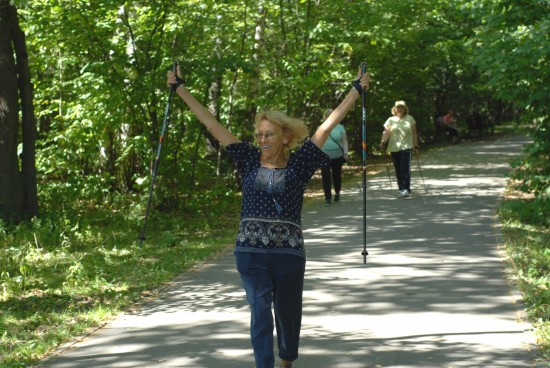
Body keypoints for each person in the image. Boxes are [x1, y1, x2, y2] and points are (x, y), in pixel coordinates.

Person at [167, 66, 369, 368]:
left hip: (288, 254)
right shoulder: (247, 158)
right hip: (250, 252)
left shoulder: (300, 165)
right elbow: (211, 124)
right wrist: (180, 89)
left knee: (287, 312)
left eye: (270, 134)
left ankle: (287, 357)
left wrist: (356, 90)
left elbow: (325, 128)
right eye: (259, 134)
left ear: (285, 138)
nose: (262, 139)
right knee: (260, 309)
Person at [379, 100, 419, 198]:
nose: (400, 109)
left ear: (405, 109)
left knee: (405, 167)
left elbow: (414, 133)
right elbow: (387, 133)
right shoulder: (390, 120)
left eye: (402, 108)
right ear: (395, 109)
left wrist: (416, 146)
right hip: (394, 147)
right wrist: (383, 142)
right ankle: (401, 187)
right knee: (398, 168)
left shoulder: (410, 119)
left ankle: (406, 188)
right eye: (398, 108)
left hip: (407, 146)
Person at [320, 108, 349, 206]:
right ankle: (327, 198)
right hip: (324, 156)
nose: (329, 117)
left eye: (331, 115)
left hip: (338, 156)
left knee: (337, 175)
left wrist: (345, 153)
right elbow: (317, 142)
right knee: (325, 177)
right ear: (325, 117)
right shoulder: (321, 127)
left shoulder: (340, 127)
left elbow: (344, 141)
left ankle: (337, 193)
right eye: (327, 115)